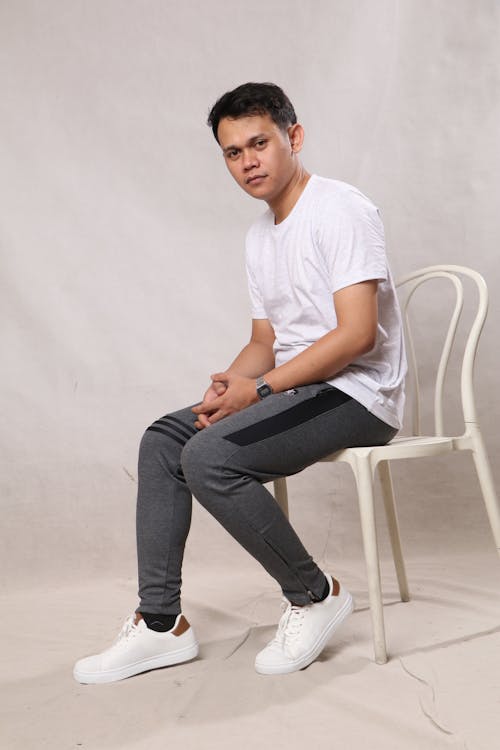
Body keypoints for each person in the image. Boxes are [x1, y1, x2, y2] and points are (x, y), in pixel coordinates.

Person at [73, 82, 406, 683]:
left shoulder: (341, 208)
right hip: (298, 390)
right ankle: (160, 626)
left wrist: (266, 389)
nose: (248, 161)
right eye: (232, 152)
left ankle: (315, 595)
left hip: (359, 394)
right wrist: (233, 387)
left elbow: (357, 335)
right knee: (164, 440)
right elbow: (264, 342)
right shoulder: (259, 236)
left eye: (259, 143)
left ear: (293, 138)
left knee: (210, 459)